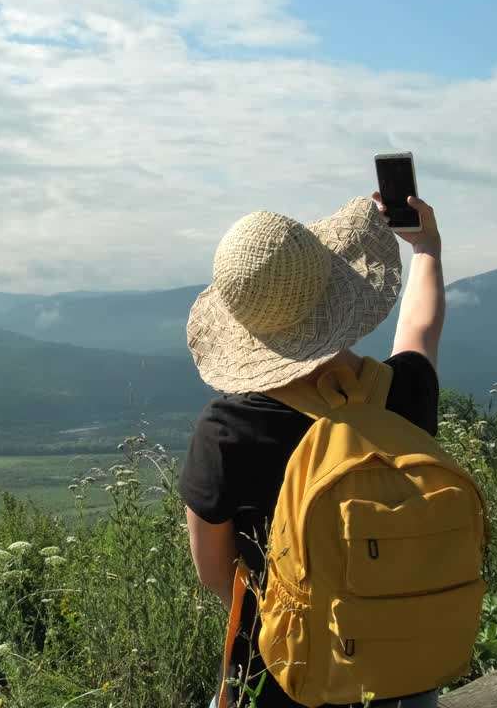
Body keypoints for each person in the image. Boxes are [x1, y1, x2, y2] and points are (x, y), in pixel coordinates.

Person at [181, 191, 445, 708]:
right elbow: (420, 329)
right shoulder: (403, 394)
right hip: (402, 675)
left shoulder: (227, 431)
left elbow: (217, 575)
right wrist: (427, 247)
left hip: (281, 678)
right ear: (335, 290)